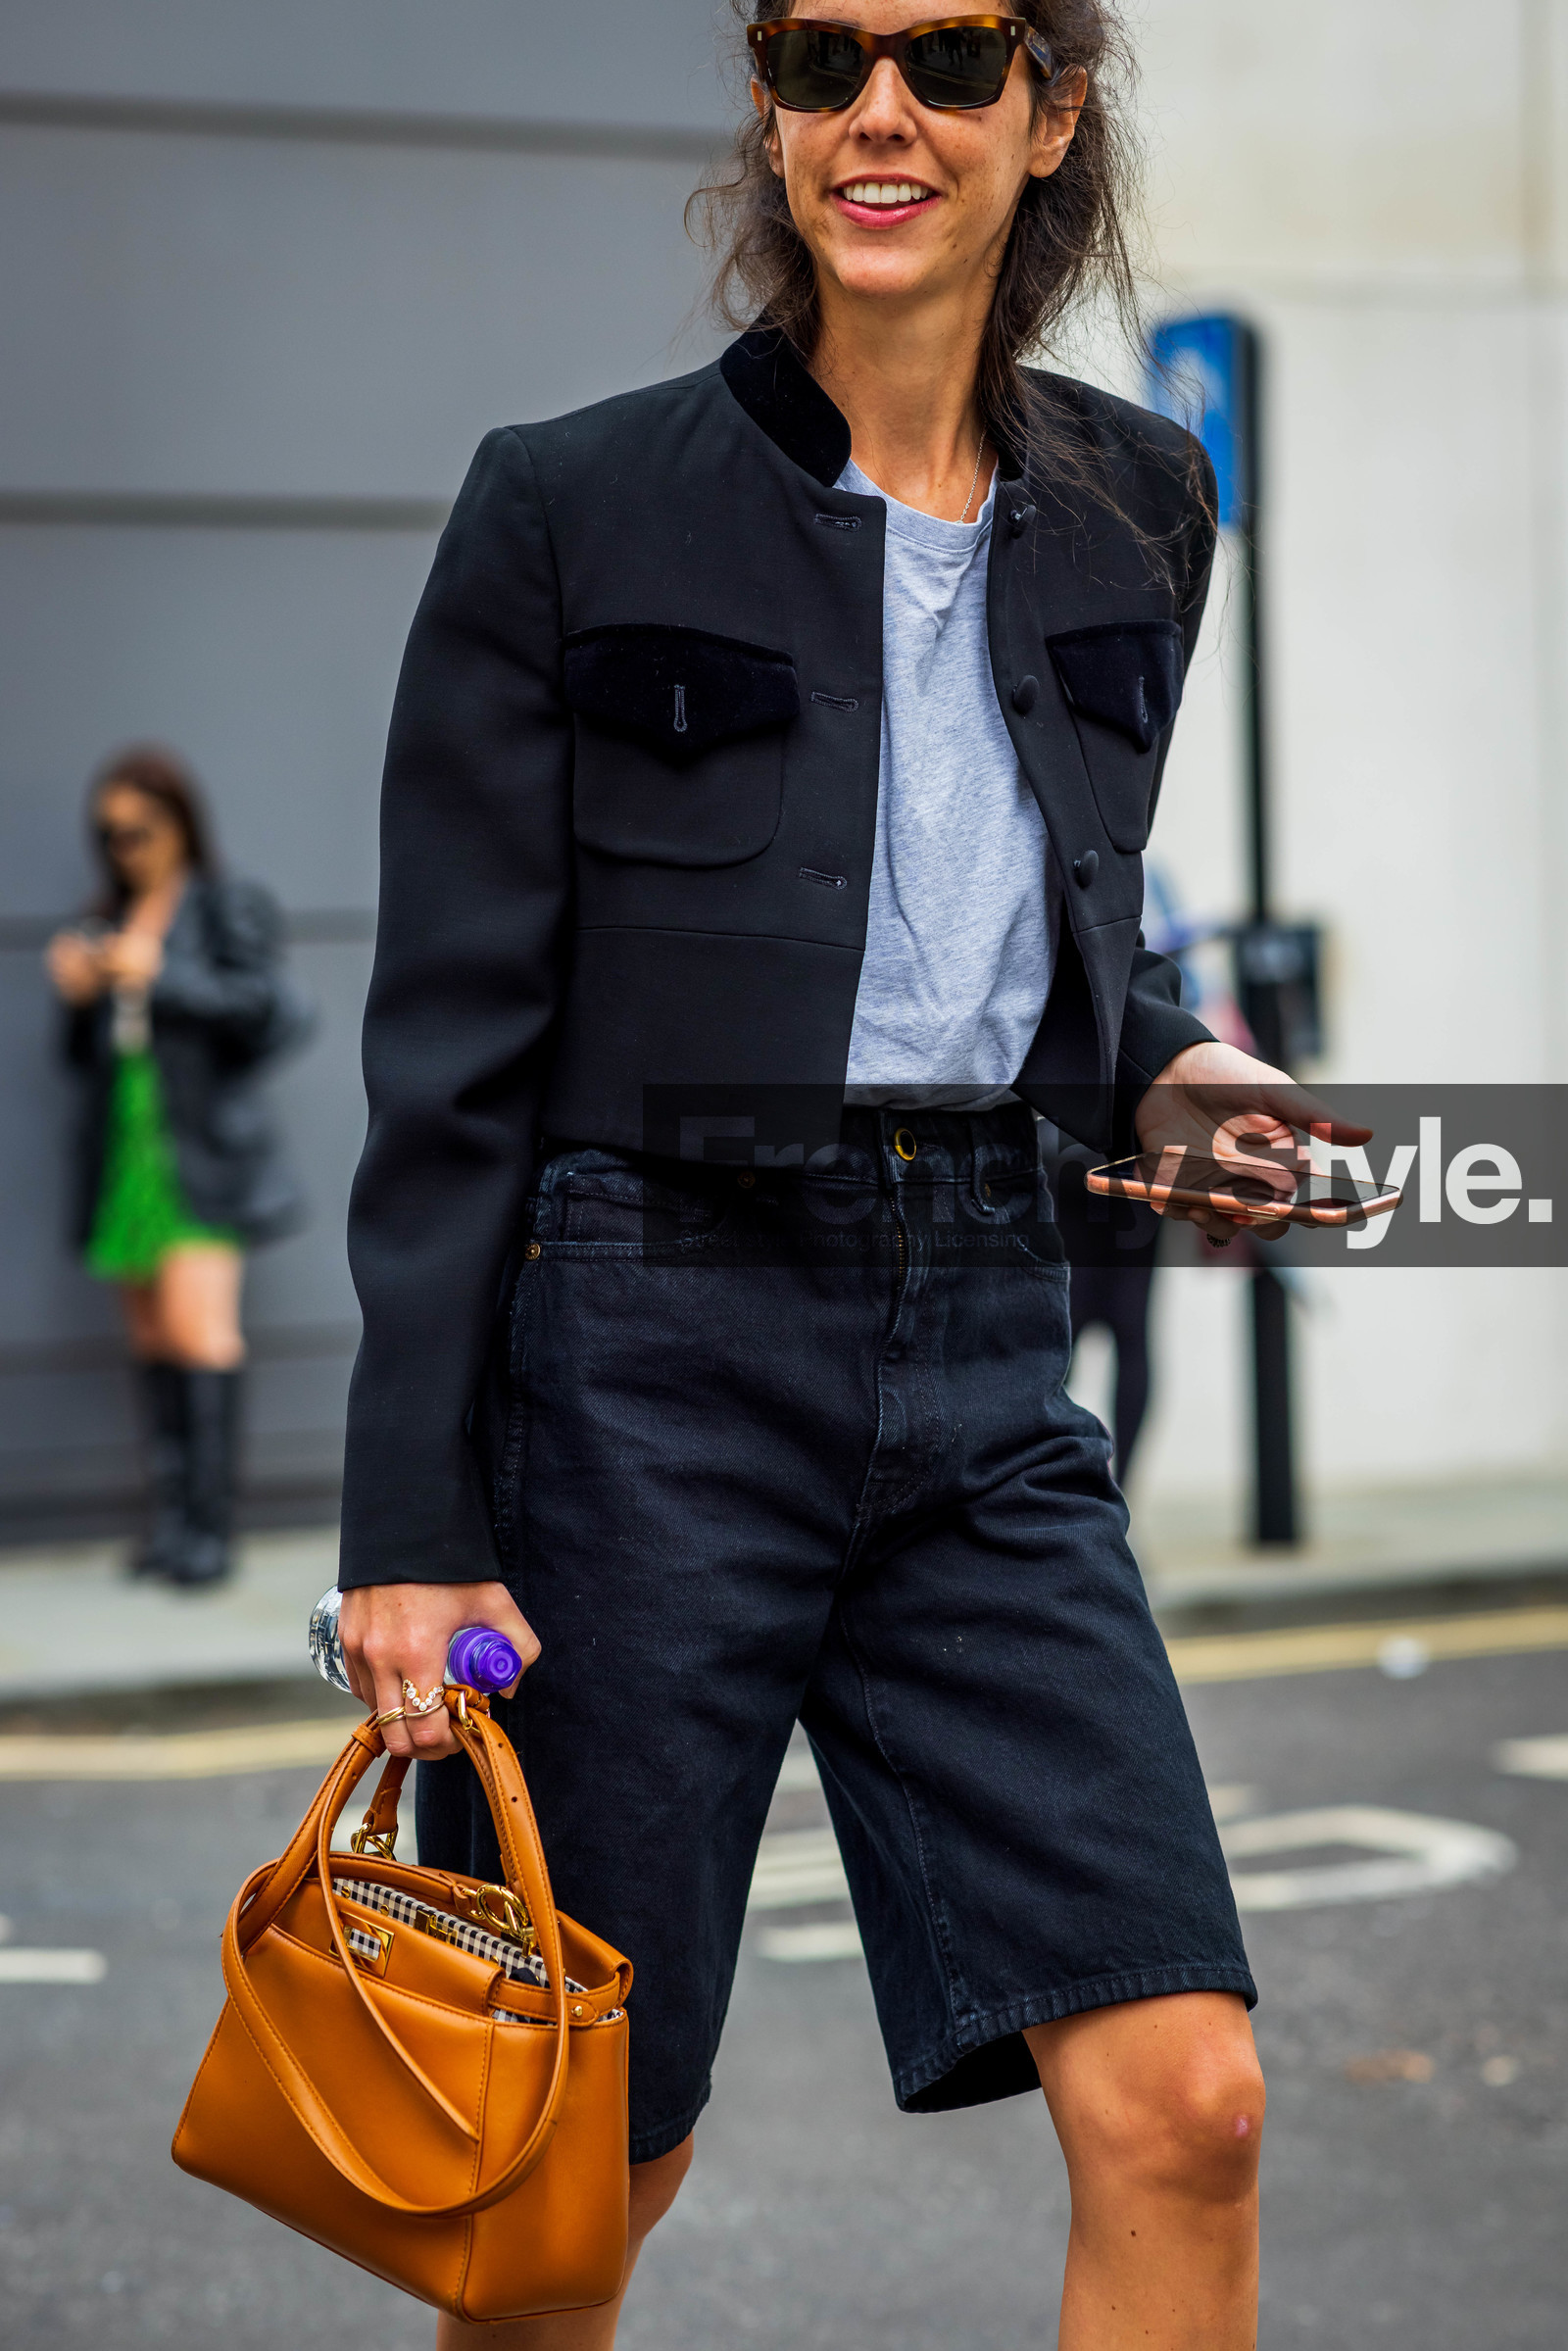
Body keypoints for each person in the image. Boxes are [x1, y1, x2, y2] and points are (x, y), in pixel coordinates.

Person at [336, 9, 1366, 2344]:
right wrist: (411, 1519)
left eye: (943, 54)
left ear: (1050, 105)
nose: (873, 113)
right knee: (574, 2156)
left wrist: (1163, 1070)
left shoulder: (1138, 502)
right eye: (817, 57)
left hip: (987, 1356)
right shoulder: (568, 503)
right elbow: (452, 1052)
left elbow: (1041, 927)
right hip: (640, 1360)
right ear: (770, 111)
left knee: (1187, 2097)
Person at [45, 747, 310, 1587]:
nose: (127, 848)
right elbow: (82, 1060)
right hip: (127, 1149)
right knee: (153, 1337)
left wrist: (161, 974)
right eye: (110, 835)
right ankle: (171, 1524)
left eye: (140, 830)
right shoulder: (106, 917)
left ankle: (211, 1532)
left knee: (202, 1332)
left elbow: (270, 1011)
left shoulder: (223, 905)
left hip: (199, 1154)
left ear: (179, 822)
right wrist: (81, 994)